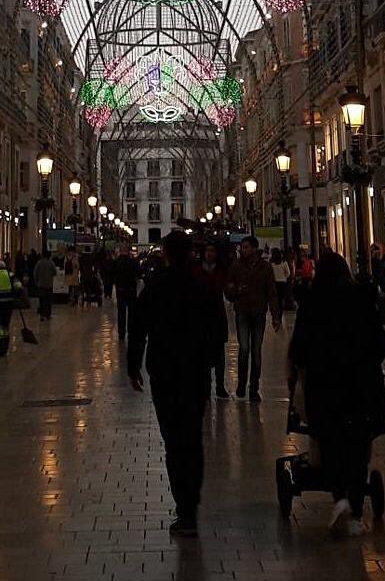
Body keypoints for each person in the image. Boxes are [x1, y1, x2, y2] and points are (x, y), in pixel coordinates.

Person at [289, 252, 385, 537]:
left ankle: (340, 498)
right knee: (358, 448)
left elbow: (299, 349)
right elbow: (381, 345)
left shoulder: (311, 304)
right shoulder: (362, 300)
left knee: (330, 442)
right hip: (360, 386)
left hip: (324, 387)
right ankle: (356, 512)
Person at [128, 230, 214, 537]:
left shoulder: (156, 286)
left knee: (174, 440)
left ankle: (184, 508)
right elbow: (219, 327)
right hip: (195, 372)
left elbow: (137, 326)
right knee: (193, 437)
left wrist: (133, 366)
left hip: (164, 372)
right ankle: (191, 505)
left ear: (165, 253)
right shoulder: (202, 284)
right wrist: (211, 362)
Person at [225, 235, 281, 402]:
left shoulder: (265, 267)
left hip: (258, 313)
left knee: (256, 352)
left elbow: (271, 292)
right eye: (242, 247)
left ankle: (254, 388)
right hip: (242, 311)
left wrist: (275, 316)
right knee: (243, 350)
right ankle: (242, 384)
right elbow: (228, 289)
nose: (243, 250)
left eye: (246, 247)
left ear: (255, 249)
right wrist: (236, 291)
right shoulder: (236, 266)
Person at [194, 242, 230, 398]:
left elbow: (227, 290)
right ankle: (206, 385)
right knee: (203, 353)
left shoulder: (221, 270)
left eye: (212, 250)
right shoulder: (196, 270)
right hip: (201, 316)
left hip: (217, 315)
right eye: (207, 250)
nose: (209, 253)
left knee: (219, 353)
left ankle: (220, 385)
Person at [0, 259, 23, 357]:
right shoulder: (11, 276)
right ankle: (5, 346)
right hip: (8, 304)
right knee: (6, 324)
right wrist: (16, 296)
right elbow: (18, 286)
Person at [114, 247, 140, 341]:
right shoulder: (133, 262)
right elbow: (138, 273)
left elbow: (113, 274)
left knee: (121, 311)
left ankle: (121, 333)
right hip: (131, 289)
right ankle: (131, 331)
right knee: (132, 312)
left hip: (120, 289)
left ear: (120, 252)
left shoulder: (117, 262)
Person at [34, 251, 57, 321]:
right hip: (49, 285)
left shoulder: (39, 263)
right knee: (48, 300)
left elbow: (35, 273)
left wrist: (37, 281)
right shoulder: (51, 263)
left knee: (42, 300)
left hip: (41, 284)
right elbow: (55, 272)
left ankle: (42, 315)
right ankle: (48, 315)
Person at [270, 247, 291, 314]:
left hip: (274, 283)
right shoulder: (284, 262)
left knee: (275, 300)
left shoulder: (271, 263)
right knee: (281, 300)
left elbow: (269, 273)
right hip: (282, 283)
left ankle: (275, 314)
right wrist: (284, 277)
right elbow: (288, 273)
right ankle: (280, 314)